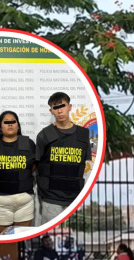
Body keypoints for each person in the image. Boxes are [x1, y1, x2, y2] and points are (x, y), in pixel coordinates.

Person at [35, 92, 93, 226]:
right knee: (49, 237)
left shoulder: (84, 134)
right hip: (51, 199)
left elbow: (86, 164)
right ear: (51, 111)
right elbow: (37, 166)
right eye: (55, 107)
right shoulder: (44, 135)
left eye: (63, 106)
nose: (60, 110)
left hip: (75, 198)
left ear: (70, 107)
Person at [0, 111, 37, 234]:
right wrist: (0, 178)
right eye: (6, 122)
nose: (10, 125)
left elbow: (33, 167)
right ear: (0, 126)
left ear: (18, 125)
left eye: (13, 121)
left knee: (23, 243)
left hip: (24, 201)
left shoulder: (28, 143)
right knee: (5, 242)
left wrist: (19, 177)